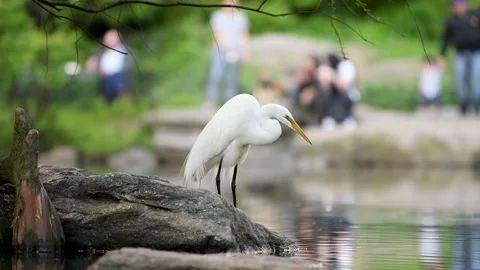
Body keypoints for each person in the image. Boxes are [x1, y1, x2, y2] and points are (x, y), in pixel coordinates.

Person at [204, 0, 250, 108]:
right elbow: (217, 34)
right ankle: (210, 102)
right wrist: (228, 47)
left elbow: (244, 35)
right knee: (216, 76)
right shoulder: (218, 16)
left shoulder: (241, 17)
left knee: (233, 79)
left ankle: (229, 104)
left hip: (236, 52)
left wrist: (246, 52)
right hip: (220, 51)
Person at [439, 0, 480, 116]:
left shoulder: (476, 15)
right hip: (460, 54)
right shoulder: (451, 20)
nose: (457, 8)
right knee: (460, 79)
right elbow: (445, 39)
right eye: (455, 6)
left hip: (477, 53)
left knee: (476, 78)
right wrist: (442, 55)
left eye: (460, 5)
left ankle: (477, 104)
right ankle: (463, 105)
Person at [321, 53, 359, 131]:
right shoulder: (326, 69)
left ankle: (347, 118)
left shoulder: (345, 66)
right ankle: (331, 118)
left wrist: (332, 77)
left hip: (347, 96)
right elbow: (324, 86)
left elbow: (345, 86)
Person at [98, 29, 132, 104]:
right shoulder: (102, 52)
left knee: (117, 78)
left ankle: (126, 103)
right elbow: (96, 65)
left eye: (110, 38)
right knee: (115, 80)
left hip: (121, 75)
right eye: (107, 38)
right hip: (105, 77)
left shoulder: (124, 50)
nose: (107, 40)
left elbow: (129, 65)